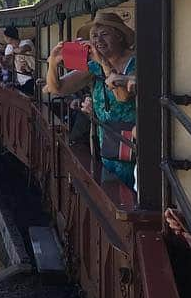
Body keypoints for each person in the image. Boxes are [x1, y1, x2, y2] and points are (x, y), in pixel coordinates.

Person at [44, 10, 137, 188]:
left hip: (133, 144)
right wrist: (53, 64)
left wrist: (103, 62)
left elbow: (122, 97)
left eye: (104, 34)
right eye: (94, 36)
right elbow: (58, 88)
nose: (98, 41)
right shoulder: (94, 66)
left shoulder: (135, 61)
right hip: (108, 145)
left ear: (119, 36)